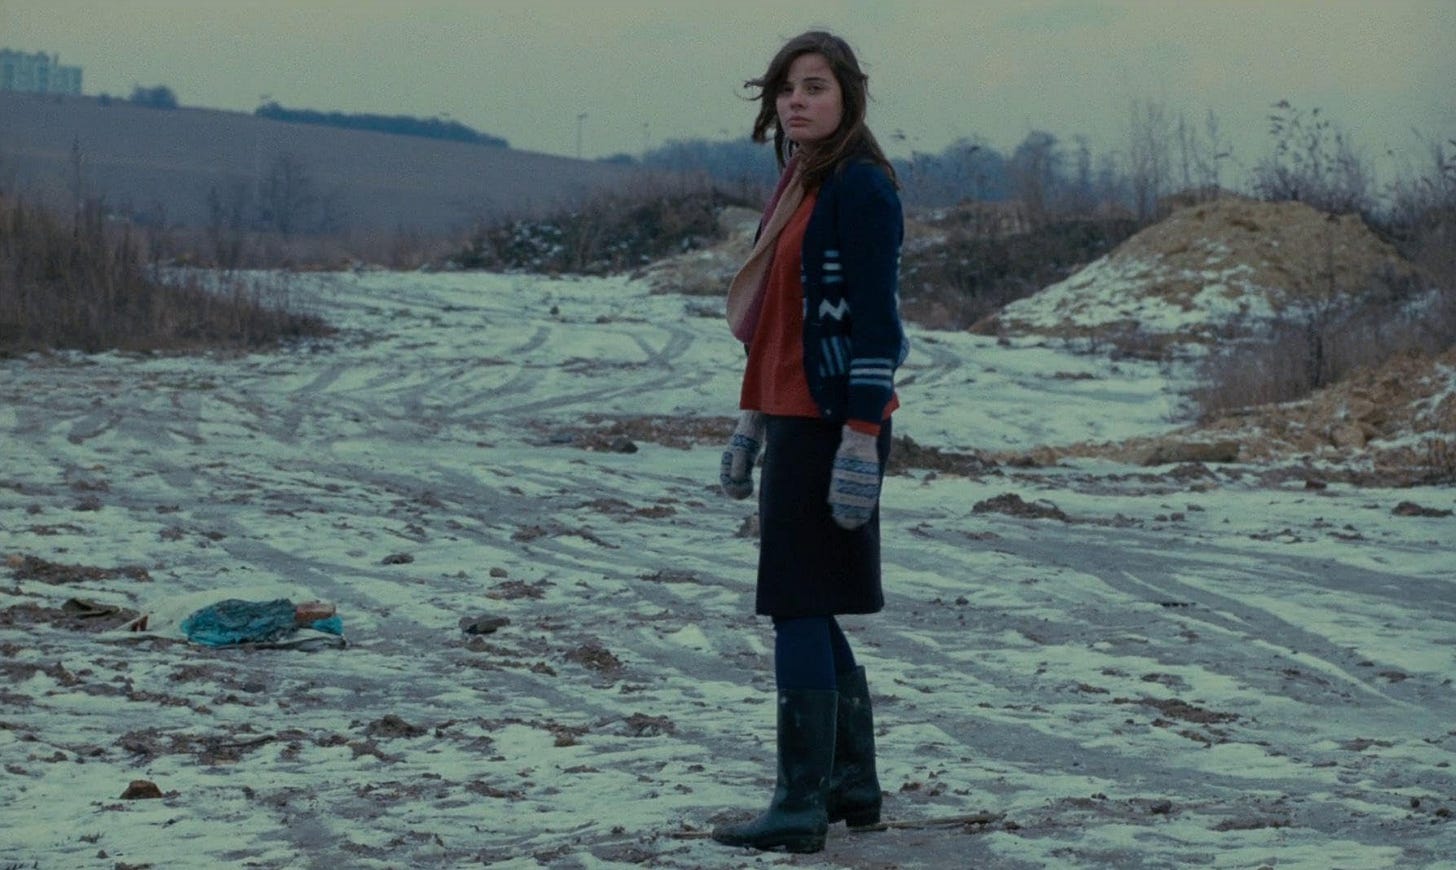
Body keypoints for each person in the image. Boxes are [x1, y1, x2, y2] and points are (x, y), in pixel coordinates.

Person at [714, 30, 907, 854]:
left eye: (816, 86)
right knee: (809, 598)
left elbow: (878, 324)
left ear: (848, 97)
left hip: (833, 425)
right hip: (792, 417)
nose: (797, 100)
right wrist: (751, 420)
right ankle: (849, 786)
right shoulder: (800, 183)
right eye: (788, 87)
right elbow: (779, 324)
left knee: (793, 601)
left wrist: (861, 437)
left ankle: (799, 806)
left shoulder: (860, 187)